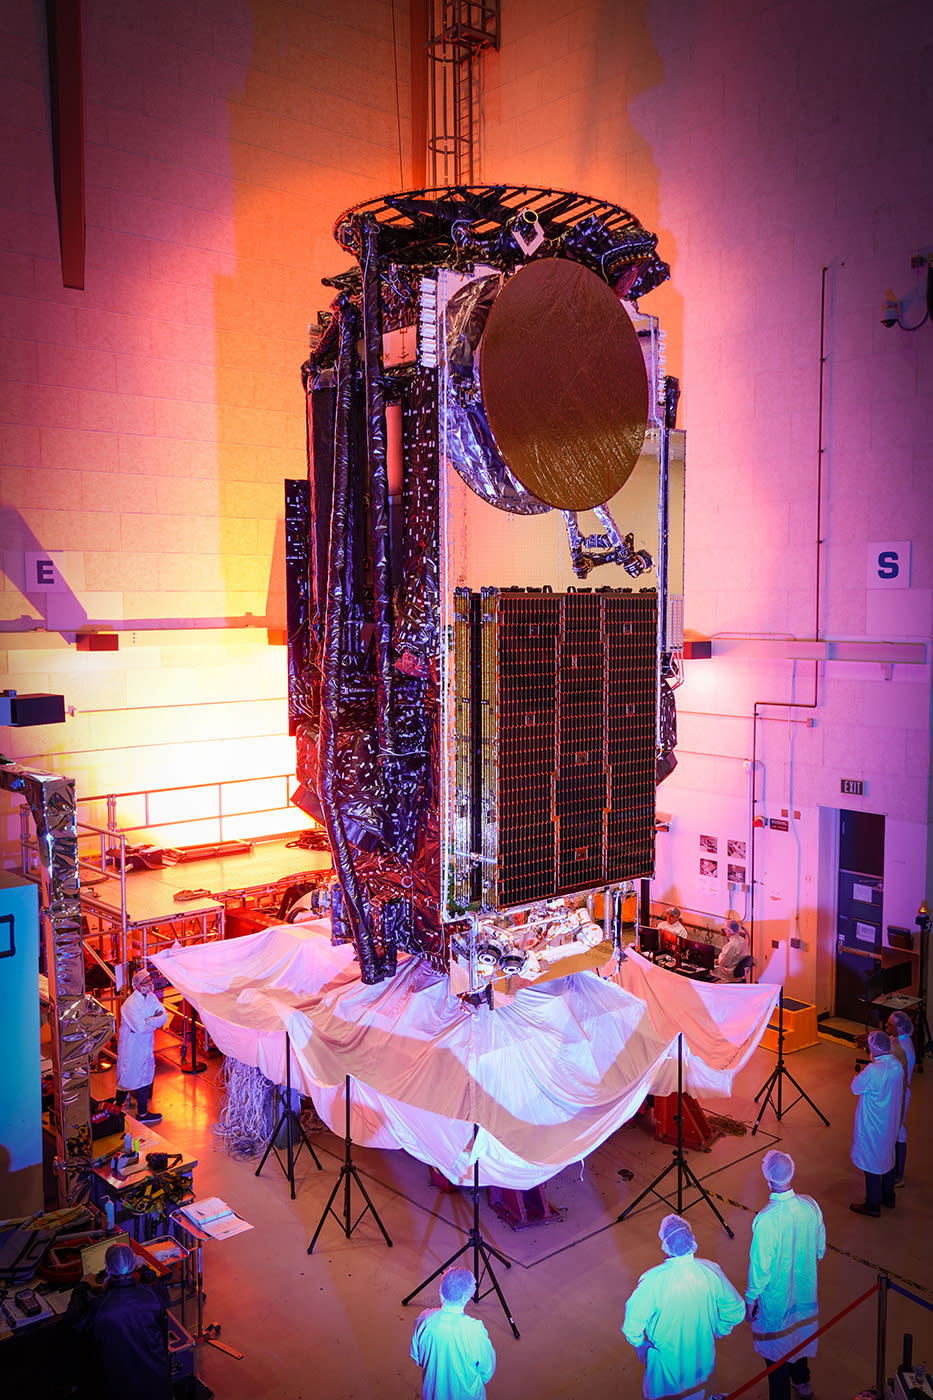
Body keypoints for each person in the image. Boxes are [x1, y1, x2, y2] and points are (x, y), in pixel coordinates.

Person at [622, 1214, 745, 1400]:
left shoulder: (653, 1280)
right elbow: (736, 1310)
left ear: (665, 1244)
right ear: (692, 1240)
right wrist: (719, 1329)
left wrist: (639, 1344)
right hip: (703, 1356)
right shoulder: (710, 1271)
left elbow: (632, 1324)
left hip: (667, 1364)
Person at [745, 1150, 825, 1400]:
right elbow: (820, 1249)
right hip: (804, 1294)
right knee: (799, 1338)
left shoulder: (766, 1219)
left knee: (776, 1352)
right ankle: (803, 1383)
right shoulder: (810, 1205)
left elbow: (760, 1267)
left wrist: (750, 1298)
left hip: (777, 1301)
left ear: (768, 1179)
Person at [65, 1242, 171, 1400]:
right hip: (158, 1384)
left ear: (108, 1269)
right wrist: (145, 1269)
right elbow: (161, 1291)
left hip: (120, 1390)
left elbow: (72, 1321)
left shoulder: (99, 1307)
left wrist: (81, 1286)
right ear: (133, 1266)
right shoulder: (151, 1295)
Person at [410, 1267, 496, 1400]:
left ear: (441, 1291)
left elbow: (417, 1356)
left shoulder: (424, 1319)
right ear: (468, 1295)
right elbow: (487, 1370)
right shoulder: (474, 1330)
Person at [849, 1029, 904, 1215]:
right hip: (890, 1121)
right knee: (888, 1156)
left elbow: (855, 1088)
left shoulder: (874, 1071)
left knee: (871, 1161)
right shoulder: (897, 1066)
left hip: (873, 1124)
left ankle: (872, 1203)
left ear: (873, 1049)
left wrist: (867, 1067)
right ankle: (889, 1196)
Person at [115, 967, 168, 1124]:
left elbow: (163, 1016)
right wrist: (153, 1020)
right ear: (136, 985)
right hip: (132, 1047)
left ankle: (143, 1113)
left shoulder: (151, 998)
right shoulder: (130, 1004)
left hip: (144, 1045)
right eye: (145, 982)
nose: (149, 984)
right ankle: (116, 1106)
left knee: (144, 1076)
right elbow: (140, 1027)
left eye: (149, 981)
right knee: (128, 1075)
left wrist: (150, 1021)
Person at [885, 1009, 916, 1184]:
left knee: (898, 1133)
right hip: (898, 1092)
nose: (886, 1026)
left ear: (900, 1028)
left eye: (890, 1024)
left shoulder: (903, 1049)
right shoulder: (901, 1041)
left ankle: (897, 1175)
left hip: (899, 1094)